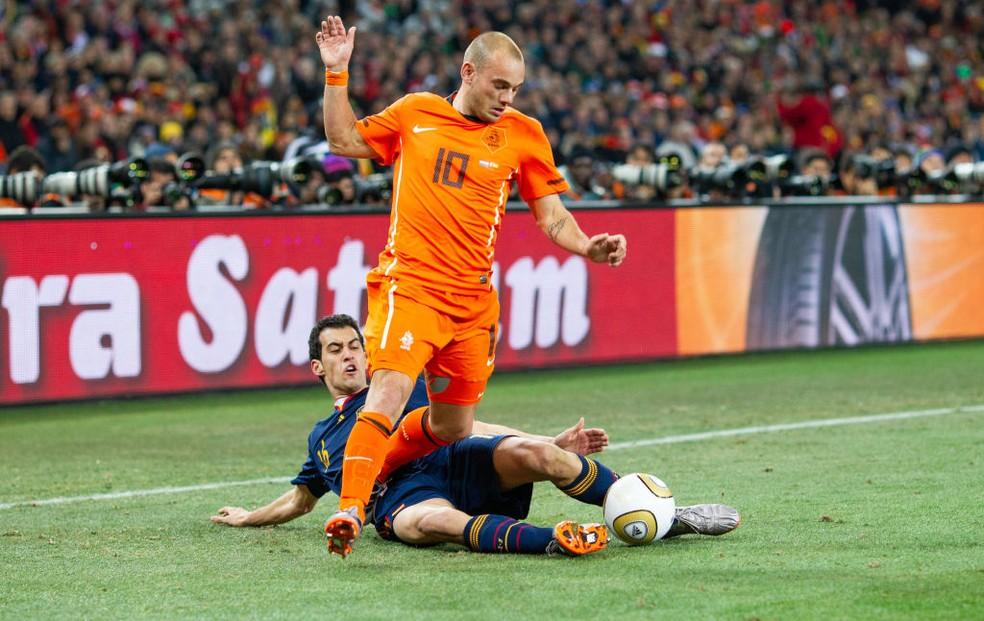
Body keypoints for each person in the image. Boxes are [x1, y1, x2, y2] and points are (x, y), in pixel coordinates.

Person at [314, 16, 628, 556]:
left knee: (452, 425)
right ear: (468, 72)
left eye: (515, 89)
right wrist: (337, 74)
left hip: (474, 306)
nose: (507, 98)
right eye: (499, 85)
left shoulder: (524, 135)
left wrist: (586, 246)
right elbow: (343, 139)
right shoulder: (416, 113)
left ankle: (639, 503)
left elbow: (551, 216)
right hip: (408, 287)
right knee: (386, 392)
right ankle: (350, 507)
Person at [211, 315, 741, 556]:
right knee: (439, 521)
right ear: (316, 367)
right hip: (401, 497)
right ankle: (556, 543)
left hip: (454, 460)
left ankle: (661, 517)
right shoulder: (323, 438)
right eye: (335, 350)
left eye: (355, 345)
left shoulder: (404, 388)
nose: (350, 355)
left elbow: (473, 427)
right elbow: (301, 500)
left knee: (537, 454)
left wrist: (550, 443)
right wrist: (247, 517)